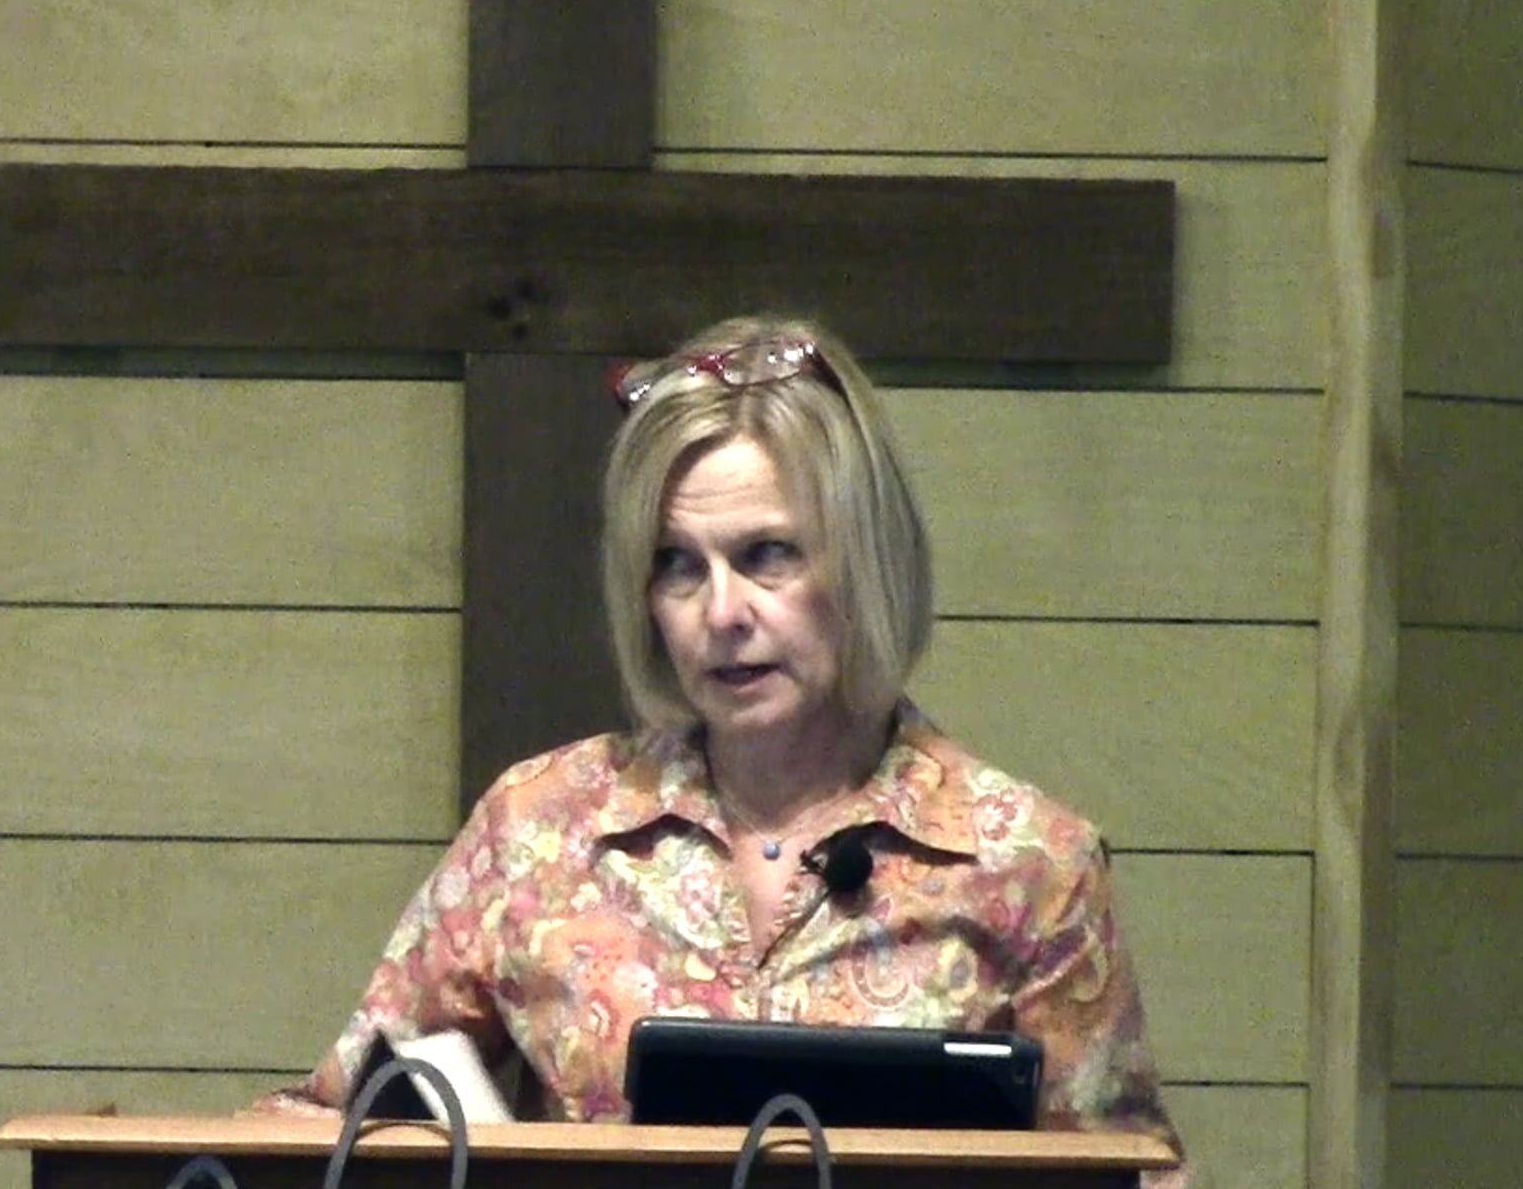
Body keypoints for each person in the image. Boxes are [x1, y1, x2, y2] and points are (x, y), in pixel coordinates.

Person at [257, 315, 1187, 1179]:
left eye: (767, 555)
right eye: (677, 565)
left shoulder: (1028, 863)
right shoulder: (540, 828)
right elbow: (327, 1125)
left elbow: (1128, 1176)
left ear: (864, 561)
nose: (723, 613)